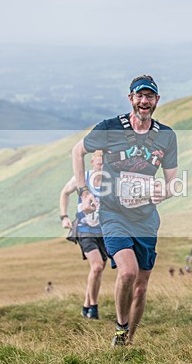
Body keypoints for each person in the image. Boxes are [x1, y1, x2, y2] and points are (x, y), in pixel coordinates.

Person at [71, 75, 178, 346]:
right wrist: (83, 191)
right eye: (139, 96)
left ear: (156, 100)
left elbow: (171, 182)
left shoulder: (166, 136)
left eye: (149, 97)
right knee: (127, 272)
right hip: (113, 214)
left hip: (146, 218)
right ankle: (120, 327)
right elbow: (77, 151)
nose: (144, 101)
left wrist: (164, 192)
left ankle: (127, 341)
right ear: (131, 98)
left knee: (141, 286)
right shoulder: (109, 128)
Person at [60, 150, 108, 319]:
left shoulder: (111, 182)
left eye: (105, 162)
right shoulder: (83, 178)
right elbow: (65, 192)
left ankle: (86, 305)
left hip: (104, 232)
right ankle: (93, 309)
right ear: (92, 162)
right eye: (99, 162)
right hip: (84, 229)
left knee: (99, 268)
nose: (102, 165)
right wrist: (64, 217)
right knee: (96, 266)